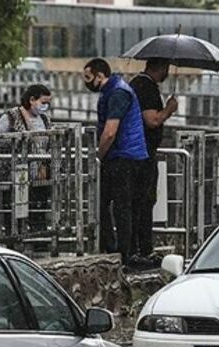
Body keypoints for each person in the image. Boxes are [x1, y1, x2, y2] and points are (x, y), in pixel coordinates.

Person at [83, 58, 149, 266]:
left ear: (100, 75)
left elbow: (110, 132)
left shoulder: (118, 93)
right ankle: (114, 247)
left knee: (120, 206)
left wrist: (97, 156)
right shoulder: (112, 91)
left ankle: (122, 253)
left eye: (88, 77)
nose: (86, 82)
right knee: (106, 202)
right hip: (124, 155)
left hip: (124, 156)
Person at [129, 58, 178, 267]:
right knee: (143, 201)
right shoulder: (145, 87)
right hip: (143, 154)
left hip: (139, 152)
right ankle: (141, 250)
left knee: (142, 201)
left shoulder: (137, 84)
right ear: (163, 68)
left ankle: (140, 248)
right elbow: (152, 120)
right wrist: (169, 109)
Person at [0, 84, 53, 233]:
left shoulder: (44, 119)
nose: (45, 106)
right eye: (43, 102)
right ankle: (14, 237)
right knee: (14, 209)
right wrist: (18, 141)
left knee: (38, 208)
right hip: (15, 172)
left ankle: (39, 240)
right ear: (32, 100)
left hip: (39, 173)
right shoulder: (11, 116)